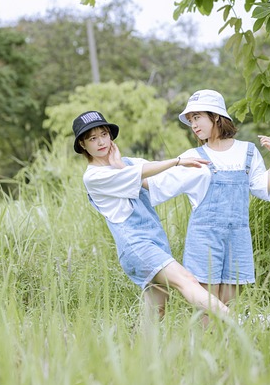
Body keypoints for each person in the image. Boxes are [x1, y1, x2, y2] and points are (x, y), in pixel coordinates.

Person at [72, 109, 230, 321]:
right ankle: (243, 322)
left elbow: (153, 175)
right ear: (83, 145)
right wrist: (177, 160)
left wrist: (120, 164)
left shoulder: (125, 162)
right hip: (137, 246)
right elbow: (140, 173)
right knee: (187, 281)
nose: (101, 142)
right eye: (92, 138)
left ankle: (136, 352)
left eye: (104, 134)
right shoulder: (94, 176)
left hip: (155, 241)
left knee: (156, 312)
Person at [147, 89, 270, 309]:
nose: (194, 125)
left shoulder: (247, 151)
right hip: (204, 239)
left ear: (216, 116)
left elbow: (261, 189)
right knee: (208, 308)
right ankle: (203, 344)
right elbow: (160, 185)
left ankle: (228, 345)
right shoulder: (194, 157)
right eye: (190, 120)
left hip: (237, 237)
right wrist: (125, 176)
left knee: (231, 306)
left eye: (197, 117)